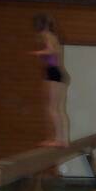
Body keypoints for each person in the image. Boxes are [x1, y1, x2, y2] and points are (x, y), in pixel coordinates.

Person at [29, 14, 70, 147]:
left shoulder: (47, 35)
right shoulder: (54, 36)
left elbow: (52, 51)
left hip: (53, 72)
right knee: (59, 109)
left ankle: (59, 139)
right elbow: (54, 51)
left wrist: (38, 53)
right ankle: (63, 139)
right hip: (58, 73)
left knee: (52, 108)